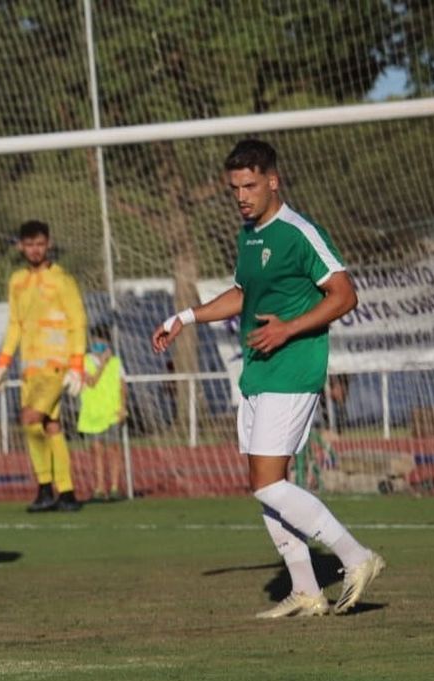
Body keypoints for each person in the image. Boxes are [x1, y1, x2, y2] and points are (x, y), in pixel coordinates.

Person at [154, 138, 385, 618]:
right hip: (258, 370)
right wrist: (186, 317)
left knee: (266, 482)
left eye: (250, 185)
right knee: (265, 482)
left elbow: (345, 295)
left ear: (272, 181)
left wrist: (288, 329)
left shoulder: (299, 231)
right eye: (235, 187)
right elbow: (244, 293)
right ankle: (306, 589)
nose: (242, 195)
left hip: (294, 367)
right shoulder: (249, 235)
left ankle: (355, 556)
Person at [0, 220, 86, 513]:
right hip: (29, 368)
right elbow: (14, 325)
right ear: (21, 246)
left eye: (40, 244)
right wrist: (3, 362)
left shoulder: (62, 279)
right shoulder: (17, 281)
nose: (35, 250)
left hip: (56, 364)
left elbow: (78, 320)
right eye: (29, 244)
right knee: (50, 425)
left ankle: (46, 486)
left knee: (30, 420)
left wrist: (77, 365)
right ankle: (66, 492)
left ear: (49, 244)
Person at [77, 324, 127, 502]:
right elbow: (91, 382)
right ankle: (99, 488)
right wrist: (102, 365)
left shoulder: (116, 362)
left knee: (114, 449)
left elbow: (122, 386)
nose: (98, 345)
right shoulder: (85, 361)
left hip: (111, 412)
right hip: (92, 413)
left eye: (101, 342)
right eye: (95, 342)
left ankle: (114, 487)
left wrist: (123, 407)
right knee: (96, 451)